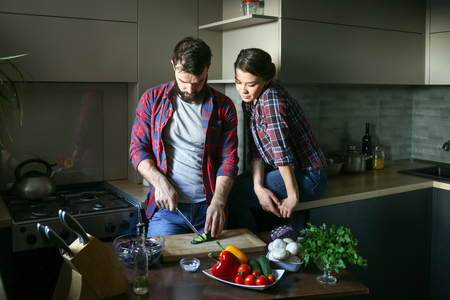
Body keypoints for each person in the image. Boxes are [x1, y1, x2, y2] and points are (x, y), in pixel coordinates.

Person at [129, 37, 239, 238]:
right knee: (161, 266)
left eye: (198, 82)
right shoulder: (151, 100)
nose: (190, 90)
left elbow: (228, 160)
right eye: (184, 81)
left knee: (214, 266)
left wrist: (218, 202)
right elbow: (137, 148)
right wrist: (160, 183)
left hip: (209, 209)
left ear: (208, 67)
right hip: (167, 212)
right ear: (173, 65)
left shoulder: (224, 106)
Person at [227, 48, 327, 233]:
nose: (242, 89)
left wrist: (292, 196)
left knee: (233, 194)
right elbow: (256, 149)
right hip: (286, 171)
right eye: (238, 81)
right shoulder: (250, 100)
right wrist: (258, 187)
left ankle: (251, 252)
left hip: (309, 176)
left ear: (266, 80)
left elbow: (281, 152)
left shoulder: (271, 98)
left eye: (250, 84)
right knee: (231, 185)